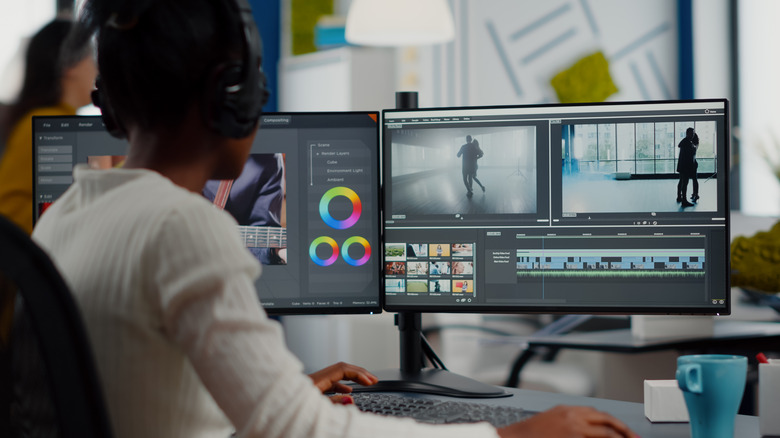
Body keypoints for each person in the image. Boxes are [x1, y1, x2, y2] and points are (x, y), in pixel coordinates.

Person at [32, 1, 637, 438]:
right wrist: (510, 437)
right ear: (234, 94)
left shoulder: (67, 216)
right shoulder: (181, 226)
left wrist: (278, 386)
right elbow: (292, 430)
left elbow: (151, 397)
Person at [0, 18, 97, 235]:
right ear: (71, 65)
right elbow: (11, 210)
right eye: (91, 56)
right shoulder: (51, 123)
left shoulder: (41, 120)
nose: (96, 67)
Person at [676, 127, 697, 208]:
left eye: (693, 133)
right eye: (692, 133)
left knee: (681, 181)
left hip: (682, 165)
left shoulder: (685, 142)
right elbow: (689, 156)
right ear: (687, 133)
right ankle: (684, 200)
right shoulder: (687, 143)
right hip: (686, 166)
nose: (693, 135)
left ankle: (679, 197)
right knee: (685, 183)